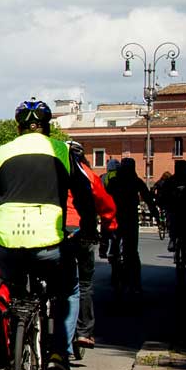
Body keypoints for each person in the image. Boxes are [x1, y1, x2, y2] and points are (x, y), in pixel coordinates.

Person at [0, 99, 93, 370]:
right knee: (68, 290)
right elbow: (84, 194)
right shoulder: (62, 151)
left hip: (7, 239)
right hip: (49, 240)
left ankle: (14, 347)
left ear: (18, 126)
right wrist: (89, 229)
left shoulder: (1, 152)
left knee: (13, 294)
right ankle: (59, 354)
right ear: (48, 126)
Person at [65, 142, 115, 356]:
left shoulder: (51, 170)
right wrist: (109, 227)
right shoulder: (87, 174)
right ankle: (83, 331)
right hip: (79, 231)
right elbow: (106, 205)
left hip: (51, 230)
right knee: (83, 283)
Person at [106, 157, 158, 295]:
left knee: (115, 247)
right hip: (130, 219)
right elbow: (147, 198)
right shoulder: (136, 181)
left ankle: (115, 274)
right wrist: (156, 215)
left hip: (116, 218)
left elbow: (105, 200)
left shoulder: (113, 181)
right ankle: (136, 283)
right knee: (133, 252)